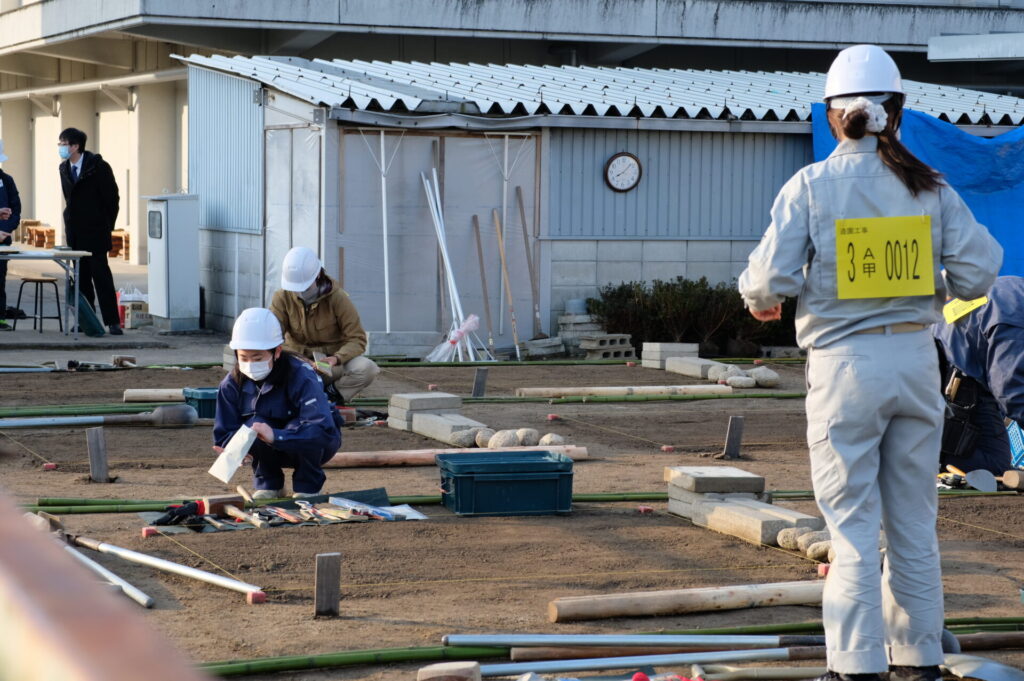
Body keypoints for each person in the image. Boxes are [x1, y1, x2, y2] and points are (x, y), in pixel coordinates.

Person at [738, 45, 1002, 681]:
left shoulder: (810, 186)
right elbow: (981, 268)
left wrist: (765, 301)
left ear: (834, 117)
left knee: (852, 526)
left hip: (843, 369)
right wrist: (928, 280)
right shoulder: (929, 188)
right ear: (898, 113)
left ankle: (855, 666)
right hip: (916, 363)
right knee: (914, 521)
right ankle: (919, 658)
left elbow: (766, 281)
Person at [214, 307, 341, 499]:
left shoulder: (302, 376)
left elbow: (321, 429)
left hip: (317, 444)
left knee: (299, 427)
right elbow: (225, 430)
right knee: (252, 427)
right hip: (268, 445)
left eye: (258, 358)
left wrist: (276, 436)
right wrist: (232, 448)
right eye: (243, 358)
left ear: (277, 352)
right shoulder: (231, 383)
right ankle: (269, 484)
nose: (250, 364)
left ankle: (308, 487)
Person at [934, 276, 1024, 477]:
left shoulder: (1009, 289)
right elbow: (1012, 390)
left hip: (945, 368)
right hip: (958, 383)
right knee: (994, 468)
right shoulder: (1015, 313)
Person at [269, 246, 379, 404]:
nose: (299, 292)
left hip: (329, 366)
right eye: (295, 288)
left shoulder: (338, 298)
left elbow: (357, 339)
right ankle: (290, 398)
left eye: (305, 287)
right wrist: (297, 358)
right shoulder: (282, 297)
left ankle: (331, 395)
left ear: (318, 275)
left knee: (367, 368)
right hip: (296, 362)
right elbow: (272, 337)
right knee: (262, 363)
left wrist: (336, 358)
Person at [58, 127, 122, 335]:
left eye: (63, 144)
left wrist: (106, 225)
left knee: (101, 276)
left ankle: (112, 322)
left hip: (96, 231)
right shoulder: (64, 168)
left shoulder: (98, 167)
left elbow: (112, 199)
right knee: (81, 278)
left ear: (75, 146)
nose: (61, 148)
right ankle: (86, 321)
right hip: (76, 232)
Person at [0, 141, 21, 331]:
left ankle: (0, 318)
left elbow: (15, 210)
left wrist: (4, 231)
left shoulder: (7, 180)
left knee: (0, 280)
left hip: (2, 241)